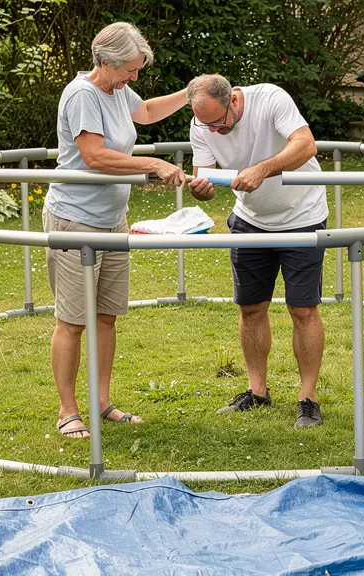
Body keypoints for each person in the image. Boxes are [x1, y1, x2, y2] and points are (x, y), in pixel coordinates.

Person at [45, 22, 187, 439]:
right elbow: (94, 157)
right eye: (130, 69)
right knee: (72, 320)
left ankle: (102, 402)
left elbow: (145, 113)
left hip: (112, 221)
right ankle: (68, 411)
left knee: (106, 317)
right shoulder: (84, 94)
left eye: (138, 70)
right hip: (76, 220)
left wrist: (191, 94)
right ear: (104, 61)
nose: (135, 78)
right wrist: (153, 164)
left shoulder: (118, 90)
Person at [186, 74, 328, 429]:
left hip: (302, 216)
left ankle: (307, 399)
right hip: (250, 220)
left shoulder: (270, 99)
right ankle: (257, 391)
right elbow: (204, 178)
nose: (213, 131)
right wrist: (201, 189)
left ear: (233, 100)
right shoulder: (202, 123)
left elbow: (306, 144)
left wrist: (262, 169)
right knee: (250, 309)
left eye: (218, 122)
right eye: (205, 124)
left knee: (303, 310)